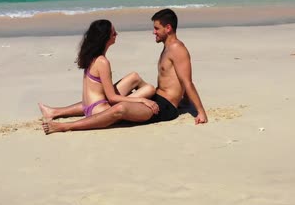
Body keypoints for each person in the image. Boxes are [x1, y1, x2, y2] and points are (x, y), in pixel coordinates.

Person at [42, 8, 208, 134]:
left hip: (166, 108)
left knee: (120, 108)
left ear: (168, 28)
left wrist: (200, 112)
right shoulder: (167, 48)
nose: (153, 32)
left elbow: (187, 81)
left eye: (157, 28)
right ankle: (56, 111)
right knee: (132, 82)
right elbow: (176, 79)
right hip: (158, 97)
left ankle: (65, 126)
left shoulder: (177, 48)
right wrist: (184, 100)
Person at [38, 19, 159, 123]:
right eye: (113, 33)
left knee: (134, 77)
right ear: (105, 38)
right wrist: (142, 99)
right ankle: (150, 100)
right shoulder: (102, 62)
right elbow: (112, 98)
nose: (116, 34)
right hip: (99, 110)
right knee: (150, 89)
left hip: (88, 105)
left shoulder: (91, 56)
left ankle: (54, 111)